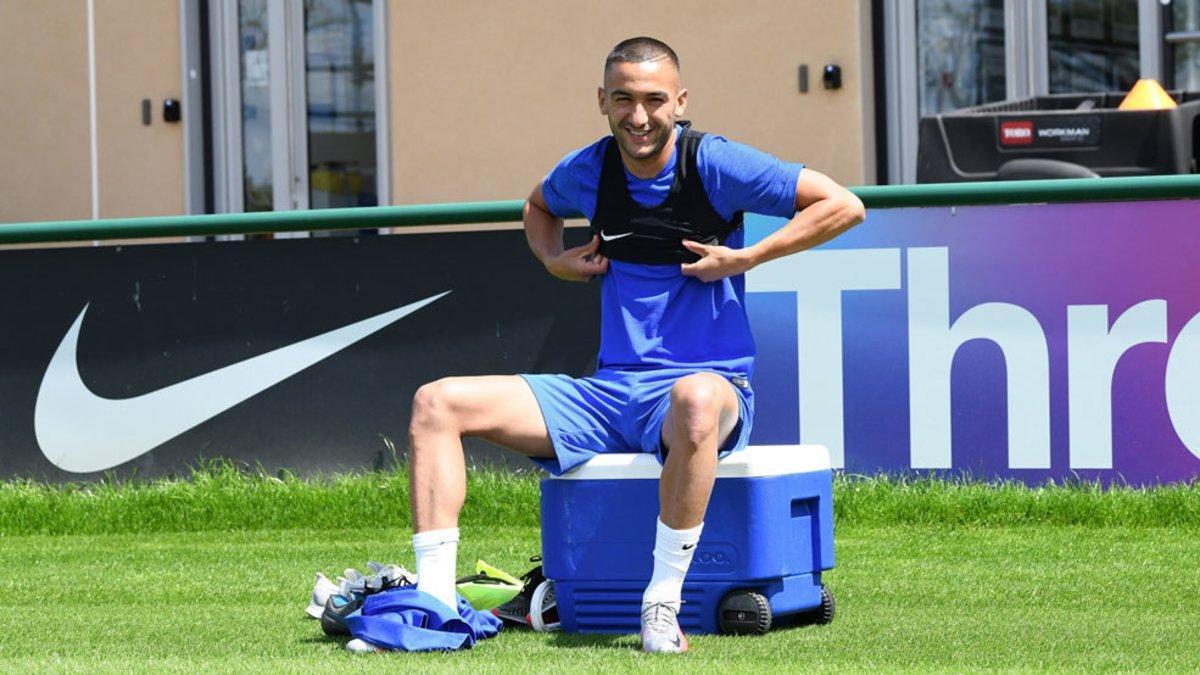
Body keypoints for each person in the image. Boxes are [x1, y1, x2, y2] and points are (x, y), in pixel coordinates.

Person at [406, 36, 864, 654]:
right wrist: (553, 260)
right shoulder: (590, 170)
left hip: (705, 391)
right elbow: (538, 205)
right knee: (436, 402)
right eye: (623, 99)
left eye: (654, 100)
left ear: (680, 101)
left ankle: (660, 605)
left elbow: (844, 205)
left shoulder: (716, 164)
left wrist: (749, 255)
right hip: (609, 393)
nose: (639, 116)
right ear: (602, 101)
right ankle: (435, 604)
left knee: (697, 399)